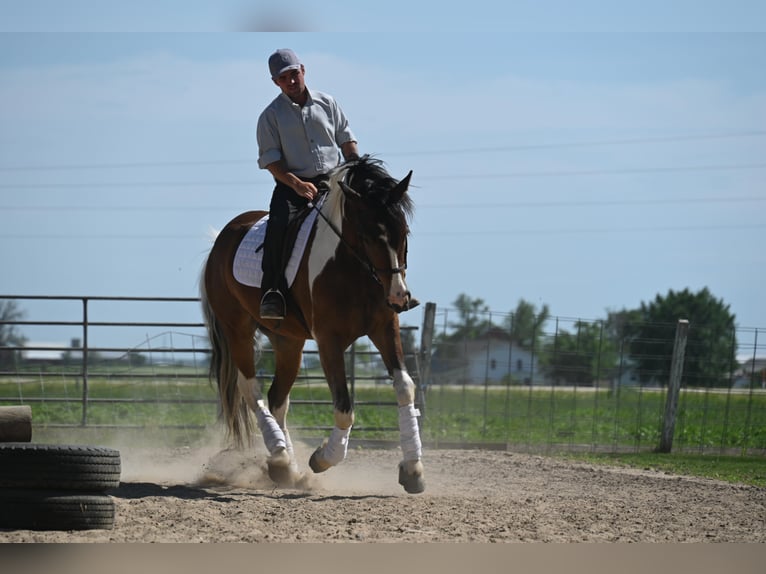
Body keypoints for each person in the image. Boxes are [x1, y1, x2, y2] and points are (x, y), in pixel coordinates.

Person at [256, 48, 360, 320]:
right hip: (292, 186)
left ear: (303, 70)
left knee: (371, 217)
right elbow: (270, 160)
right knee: (277, 227)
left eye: (293, 74)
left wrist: (356, 168)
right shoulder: (270, 117)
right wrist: (296, 184)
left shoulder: (328, 103)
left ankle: (388, 284)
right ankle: (273, 293)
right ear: (275, 83)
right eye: (283, 78)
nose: (291, 81)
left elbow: (346, 138)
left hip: (334, 179)